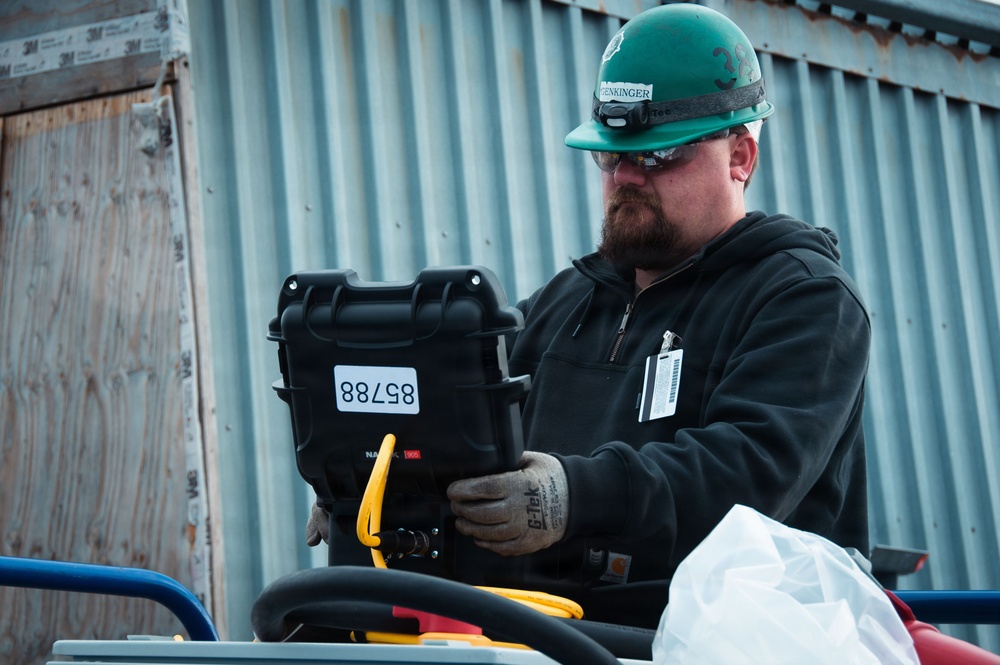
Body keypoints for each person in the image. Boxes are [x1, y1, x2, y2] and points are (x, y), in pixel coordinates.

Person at [309, 3, 871, 630]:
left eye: (659, 156)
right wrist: (368, 467)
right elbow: (459, 409)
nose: (626, 176)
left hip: (715, 637)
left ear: (740, 155)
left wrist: (572, 498)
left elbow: (746, 473)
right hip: (545, 630)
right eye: (611, 156)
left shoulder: (804, 298)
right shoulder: (564, 303)